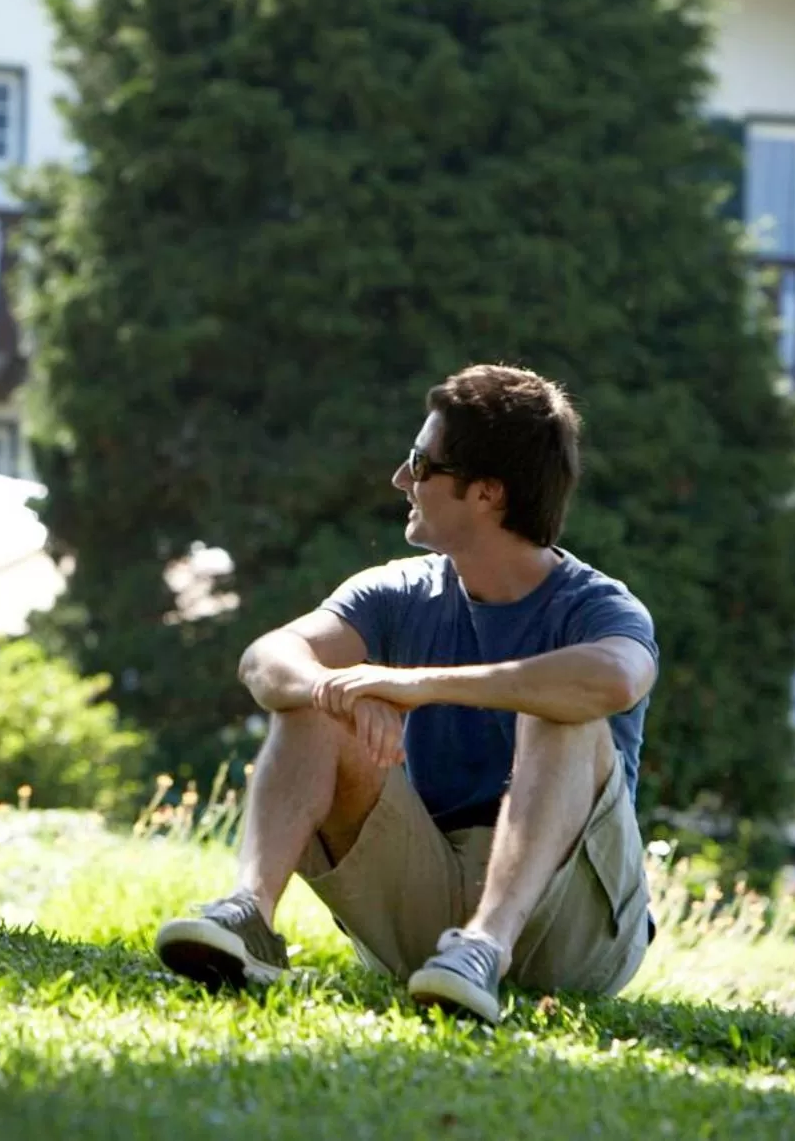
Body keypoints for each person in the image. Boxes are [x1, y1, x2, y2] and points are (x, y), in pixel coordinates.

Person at [153, 365, 658, 1025]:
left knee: (562, 705)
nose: (400, 478)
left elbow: (614, 679)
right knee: (309, 700)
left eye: (421, 463)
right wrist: (333, 688)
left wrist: (411, 686)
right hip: (425, 907)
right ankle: (249, 912)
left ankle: (486, 944)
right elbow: (264, 659)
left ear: (485, 492)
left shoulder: (598, 606)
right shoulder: (396, 589)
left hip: (574, 930)